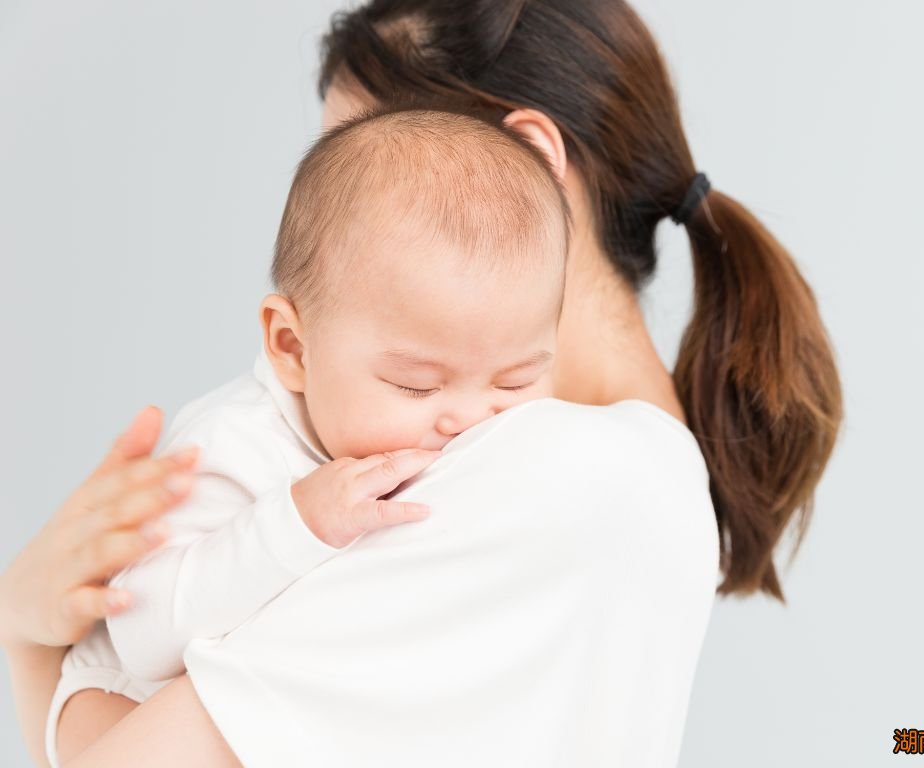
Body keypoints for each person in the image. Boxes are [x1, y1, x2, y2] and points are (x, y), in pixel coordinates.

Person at [0, 0, 844, 765]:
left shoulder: (563, 472)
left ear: (528, 161)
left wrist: (34, 641)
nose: (338, 227)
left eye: (371, 166)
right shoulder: (627, 479)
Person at [41, 104, 573, 766]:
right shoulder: (227, 445)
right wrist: (296, 523)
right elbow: (143, 635)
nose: (467, 418)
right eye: (416, 385)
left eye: (515, 381)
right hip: (117, 704)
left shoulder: (514, 449)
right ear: (293, 347)